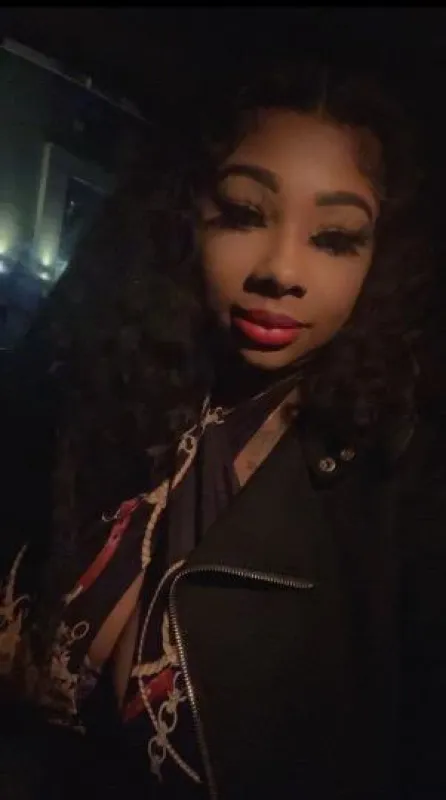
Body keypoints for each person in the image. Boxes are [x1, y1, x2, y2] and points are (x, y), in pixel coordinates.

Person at [0, 57, 443, 799]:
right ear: (182, 219)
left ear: (383, 260)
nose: (281, 270)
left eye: (335, 237)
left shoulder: (401, 482)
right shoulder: (102, 396)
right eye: (243, 213)